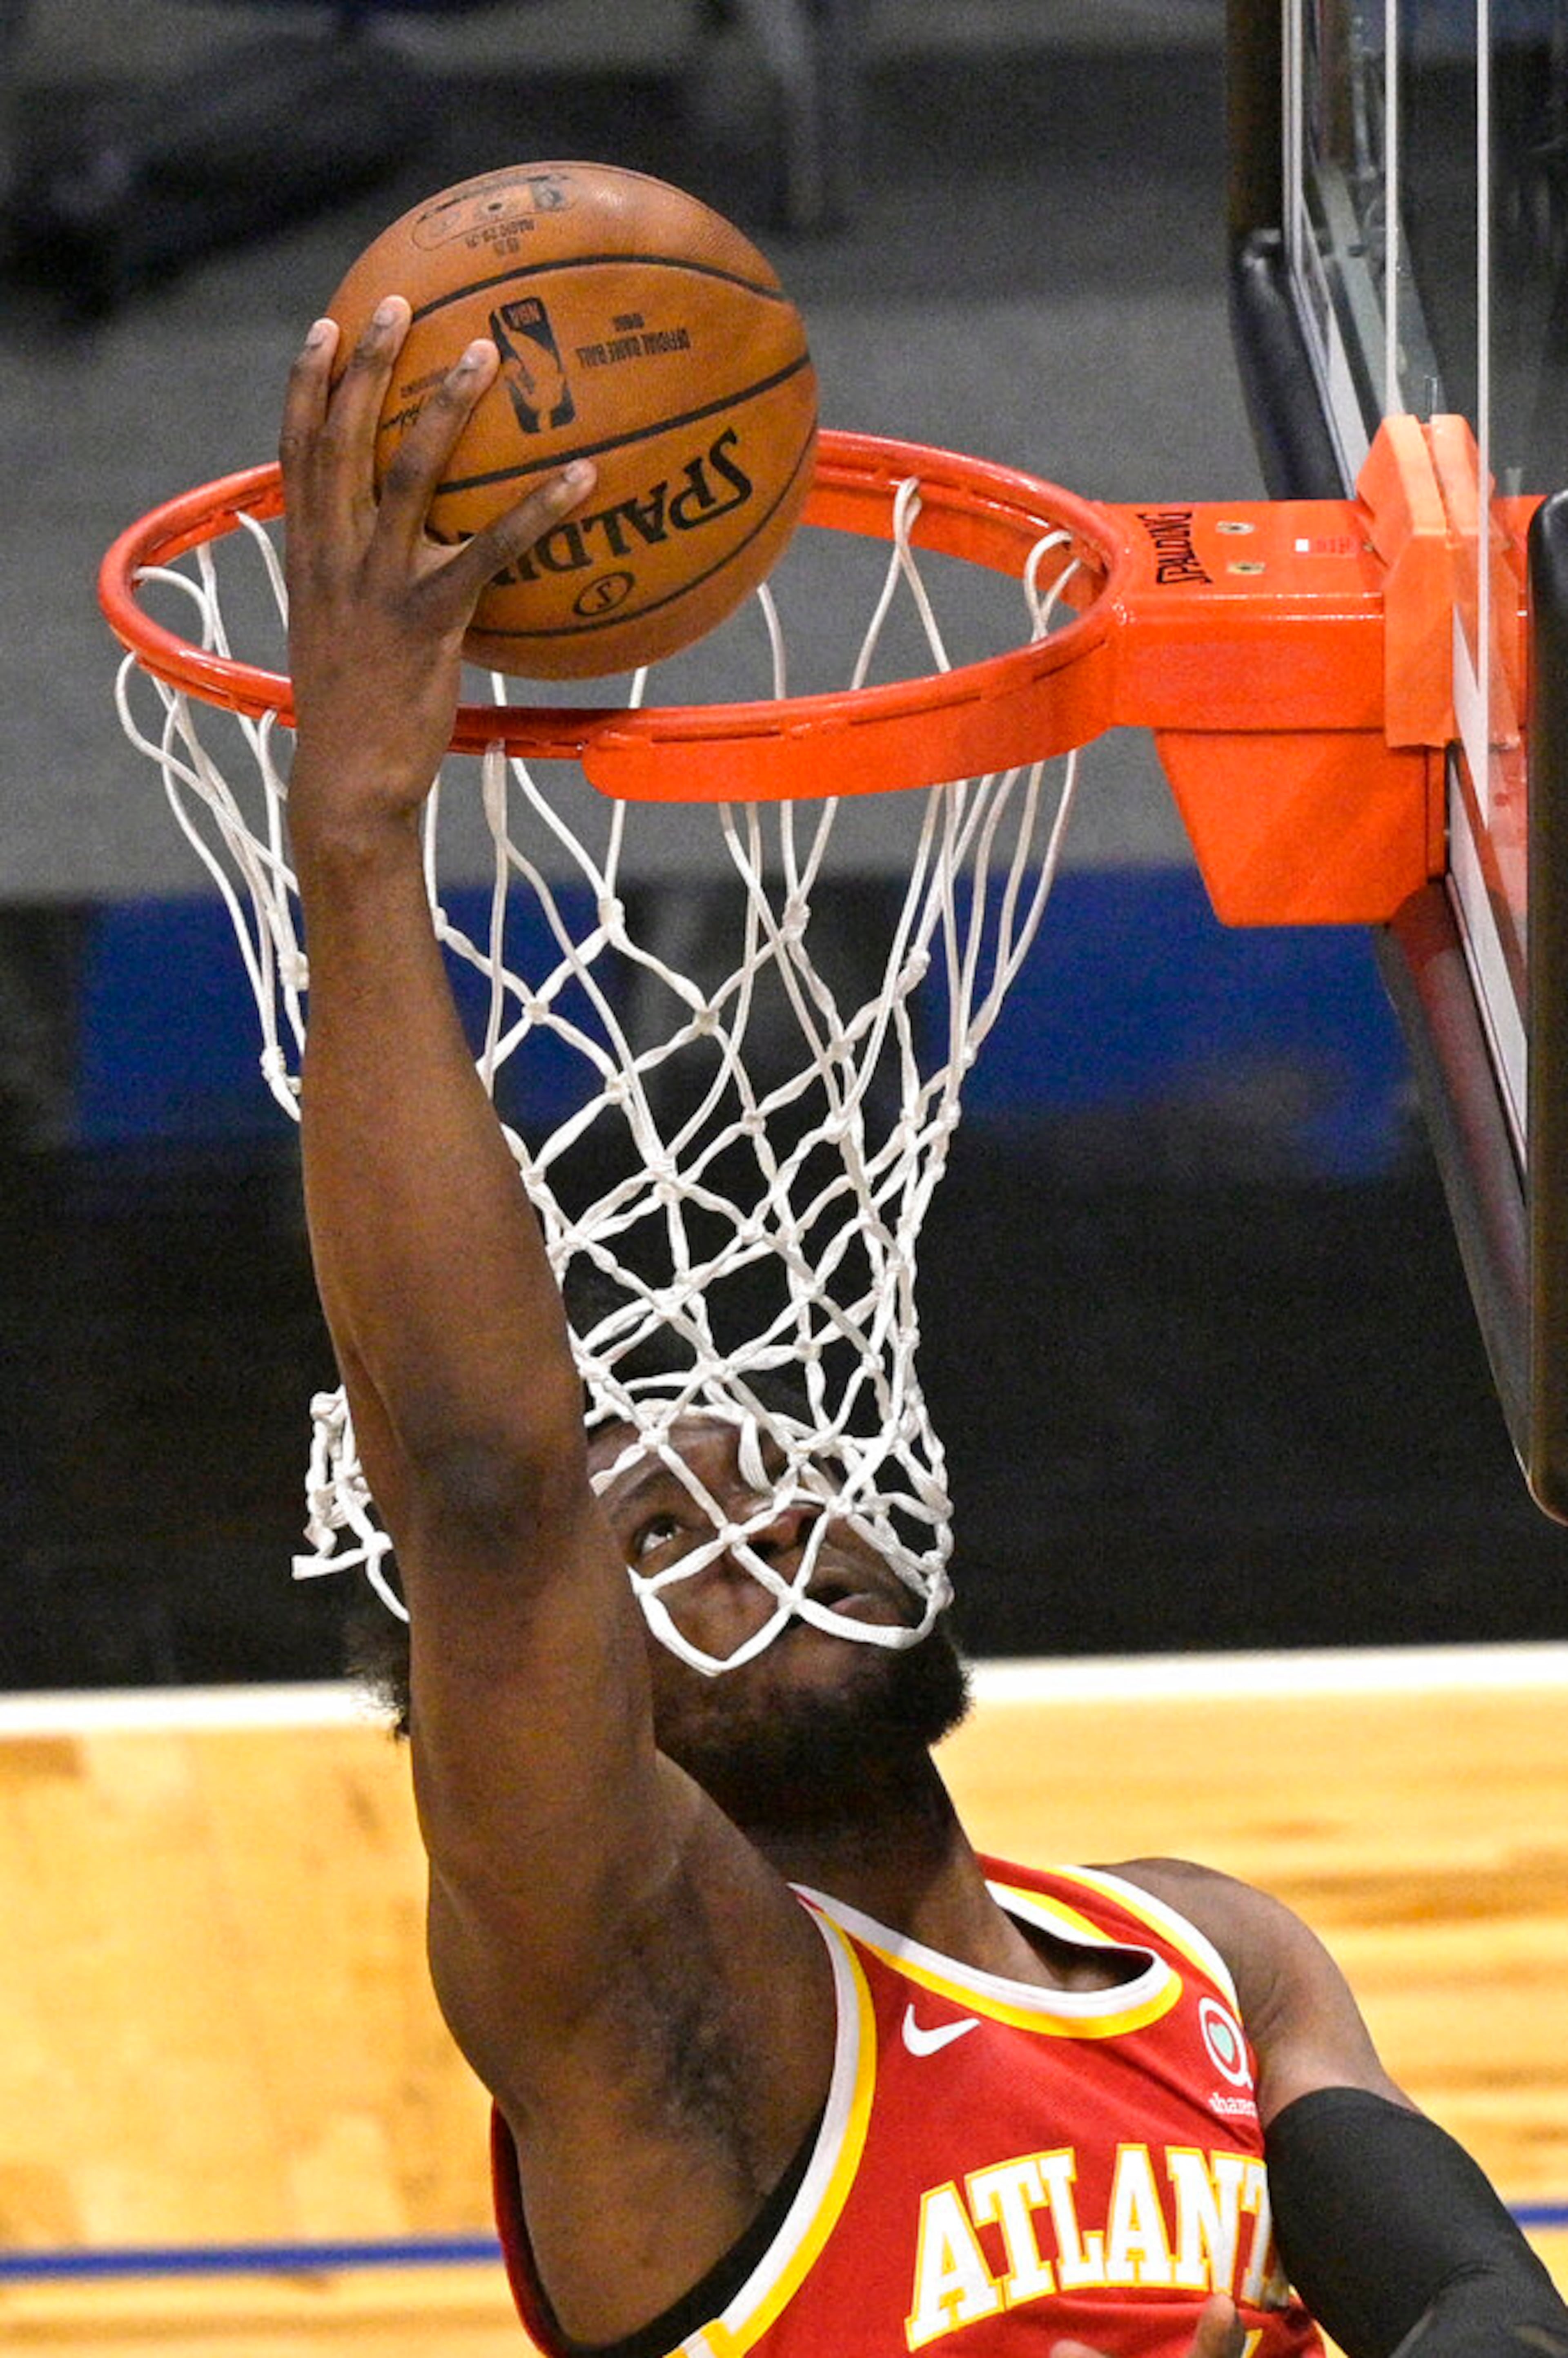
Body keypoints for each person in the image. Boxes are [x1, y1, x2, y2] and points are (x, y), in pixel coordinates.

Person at [278, 300, 1568, 2358]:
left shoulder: (1215, 1962)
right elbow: (492, 1487)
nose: (759, 1513)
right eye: (672, 1550)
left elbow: (1480, 2321)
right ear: (579, 1707)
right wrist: (357, 836)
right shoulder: (661, 2020)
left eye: (760, 1476)